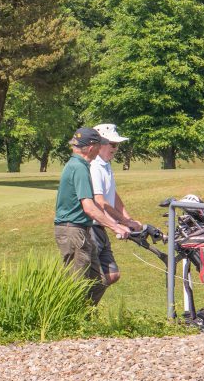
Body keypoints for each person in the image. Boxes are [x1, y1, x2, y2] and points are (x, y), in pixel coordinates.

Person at [53, 126, 130, 304]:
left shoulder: (80, 165)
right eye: (99, 144)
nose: (101, 148)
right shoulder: (79, 168)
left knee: (98, 282)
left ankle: (84, 316)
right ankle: (69, 317)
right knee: (77, 284)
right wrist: (116, 226)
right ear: (90, 147)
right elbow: (90, 207)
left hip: (80, 229)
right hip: (73, 230)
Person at [88, 123, 144, 296]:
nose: (115, 148)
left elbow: (113, 194)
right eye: (112, 144)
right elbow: (100, 201)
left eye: (117, 144)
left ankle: (88, 306)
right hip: (91, 226)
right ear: (100, 144)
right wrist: (121, 222)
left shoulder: (105, 165)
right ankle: (82, 308)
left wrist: (128, 219)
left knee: (112, 274)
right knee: (88, 276)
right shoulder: (94, 166)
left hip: (100, 226)